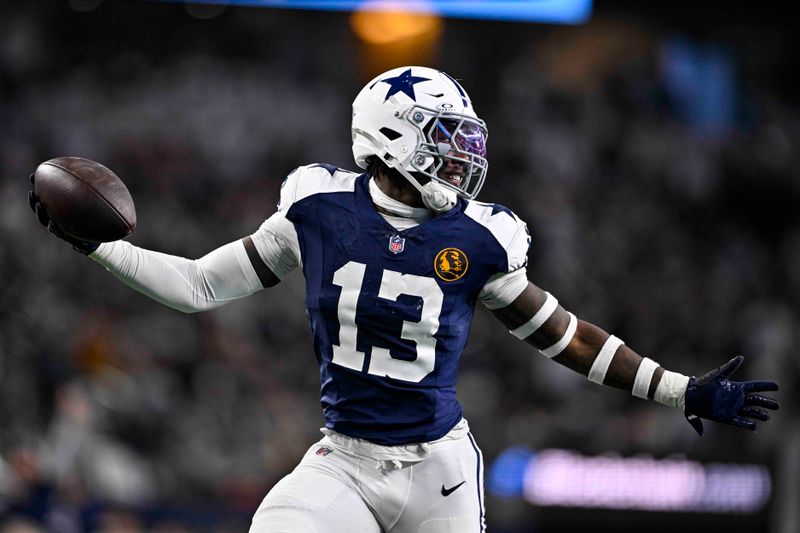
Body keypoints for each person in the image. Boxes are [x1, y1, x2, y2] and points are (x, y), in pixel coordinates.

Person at [29, 66, 780, 533]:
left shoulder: (483, 238)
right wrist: (100, 244)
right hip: (345, 463)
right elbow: (198, 285)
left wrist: (681, 388)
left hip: (439, 472)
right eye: (447, 138)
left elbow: (565, 336)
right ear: (392, 136)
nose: (463, 158)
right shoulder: (317, 207)